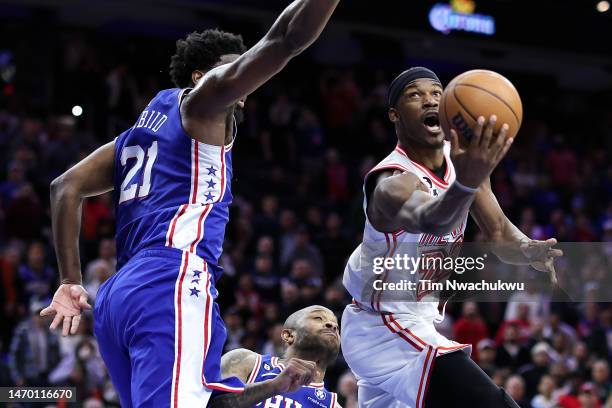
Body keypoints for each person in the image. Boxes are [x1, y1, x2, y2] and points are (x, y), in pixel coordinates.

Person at [39, 1, 340, 406]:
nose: (247, 79)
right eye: (238, 66)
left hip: (119, 296)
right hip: (171, 276)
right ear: (201, 77)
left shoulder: (140, 132)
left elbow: (64, 187)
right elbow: (285, 39)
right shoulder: (202, 104)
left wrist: (69, 281)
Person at [340, 67, 562, 408]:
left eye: (436, 93)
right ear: (394, 115)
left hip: (418, 321)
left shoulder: (459, 162)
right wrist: (467, 182)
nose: (429, 99)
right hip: (384, 326)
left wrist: (528, 249)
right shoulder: (390, 180)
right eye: (415, 94)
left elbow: (500, 231)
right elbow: (433, 219)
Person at [212, 305, 341, 407]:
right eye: (318, 318)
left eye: (336, 325)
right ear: (289, 335)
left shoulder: (331, 404)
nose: (333, 325)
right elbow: (207, 403)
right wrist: (273, 387)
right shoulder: (245, 361)